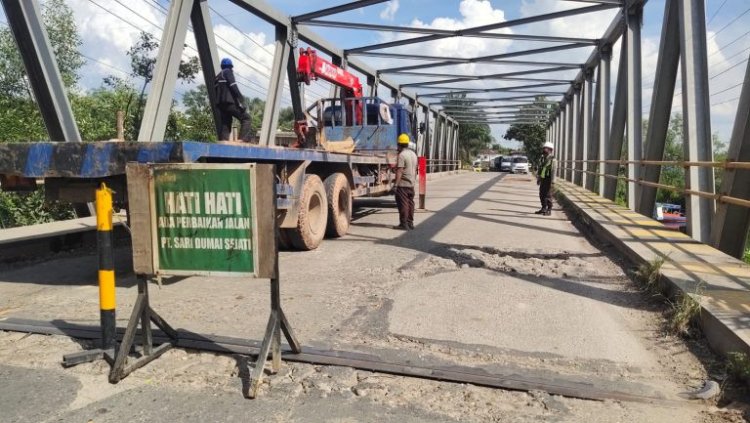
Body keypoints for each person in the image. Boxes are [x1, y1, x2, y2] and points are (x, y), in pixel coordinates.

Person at [214, 58, 252, 142]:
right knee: (246, 118)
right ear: (231, 67)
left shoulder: (217, 76)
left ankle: (224, 141)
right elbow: (233, 86)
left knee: (226, 122)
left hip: (221, 104)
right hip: (229, 102)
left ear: (221, 66)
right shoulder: (228, 72)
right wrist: (241, 100)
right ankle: (243, 139)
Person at [392, 133, 418, 230]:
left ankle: (403, 224)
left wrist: (396, 185)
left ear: (399, 144)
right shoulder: (413, 154)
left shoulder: (402, 155)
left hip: (403, 184)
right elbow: (415, 170)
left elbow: (400, 171)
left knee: (403, 203)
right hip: (411, 184)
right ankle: (410, 223)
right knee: (410, 203)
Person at [536, 141, 556, 216]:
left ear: (550, 149)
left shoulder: (552, 159)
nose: (544, 149)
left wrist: (553, 181)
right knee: (542, 194)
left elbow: (554, 170)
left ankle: (549, 210)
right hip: (543, 179)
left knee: (548, 195)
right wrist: (539, 178)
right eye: (544, 148)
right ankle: (543, 208)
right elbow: (540, 169)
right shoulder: (542, 158)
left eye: (546, 148)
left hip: (549, 179)